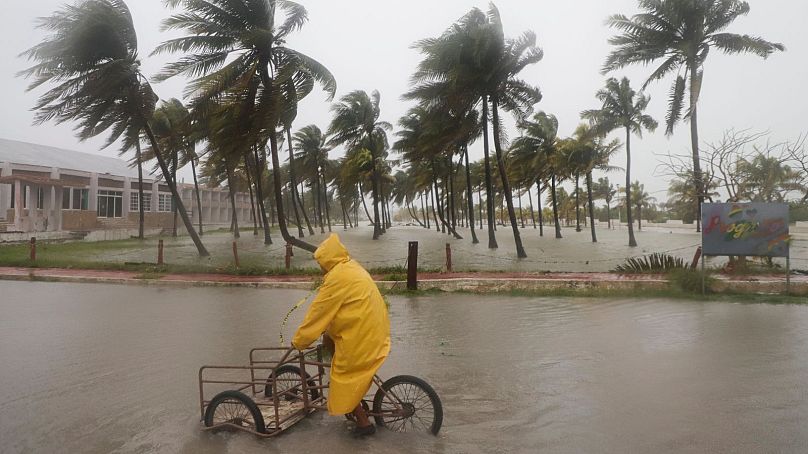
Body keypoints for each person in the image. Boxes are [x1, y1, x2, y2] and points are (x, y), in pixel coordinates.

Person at [292, 233, 391, 436]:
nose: (320, 267)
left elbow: (318, 313)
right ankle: (358, 399)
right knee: (329, 337)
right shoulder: (351, 267)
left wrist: (299, 341)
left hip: (362, 336)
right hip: (375, 330)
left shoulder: (337, 278)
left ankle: (364, 424)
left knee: (342, 378)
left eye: (321, 263)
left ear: (328, 260)